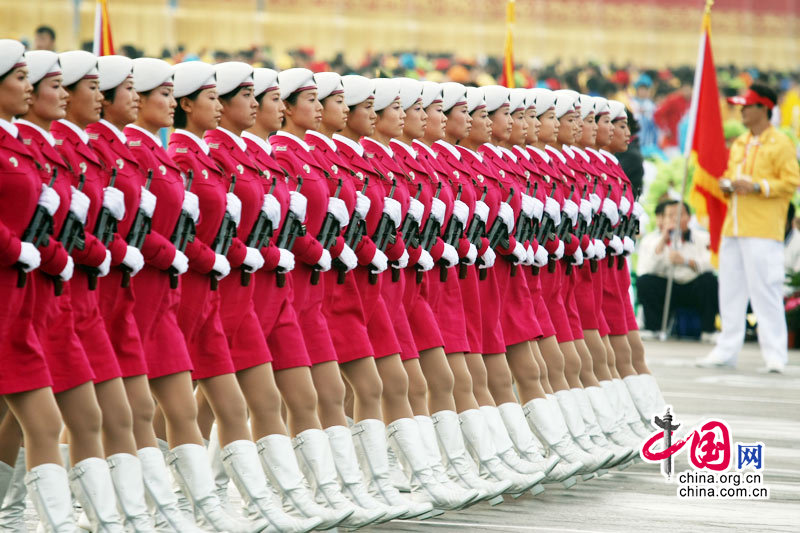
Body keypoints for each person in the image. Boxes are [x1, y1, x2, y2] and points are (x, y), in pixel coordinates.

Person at [698, 83, 800, 373]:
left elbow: (791, 181)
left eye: (747, 106)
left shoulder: (780, 143)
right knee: (730, 290)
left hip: (763, 228)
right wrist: (728, 184)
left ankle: (775, 353)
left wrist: (758, 186)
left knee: (766, 289)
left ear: (764, 108)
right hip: (735, 225)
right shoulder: (742, 142)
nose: (741, 110)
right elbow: (731, 174)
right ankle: (726, 349)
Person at [637, 200, 718, 341]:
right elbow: (646, 269)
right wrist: (663, 242)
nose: (675, 219)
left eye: (680, 214)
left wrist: (687, 262)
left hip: (692, 284)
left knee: (709, 281)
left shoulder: (702, 237)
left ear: (689, 217)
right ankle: (653, 327)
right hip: (667, 285)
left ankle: (708, 330)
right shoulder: (651, 240)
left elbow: (711, 263)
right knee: (645, 282)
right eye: (670, 215)